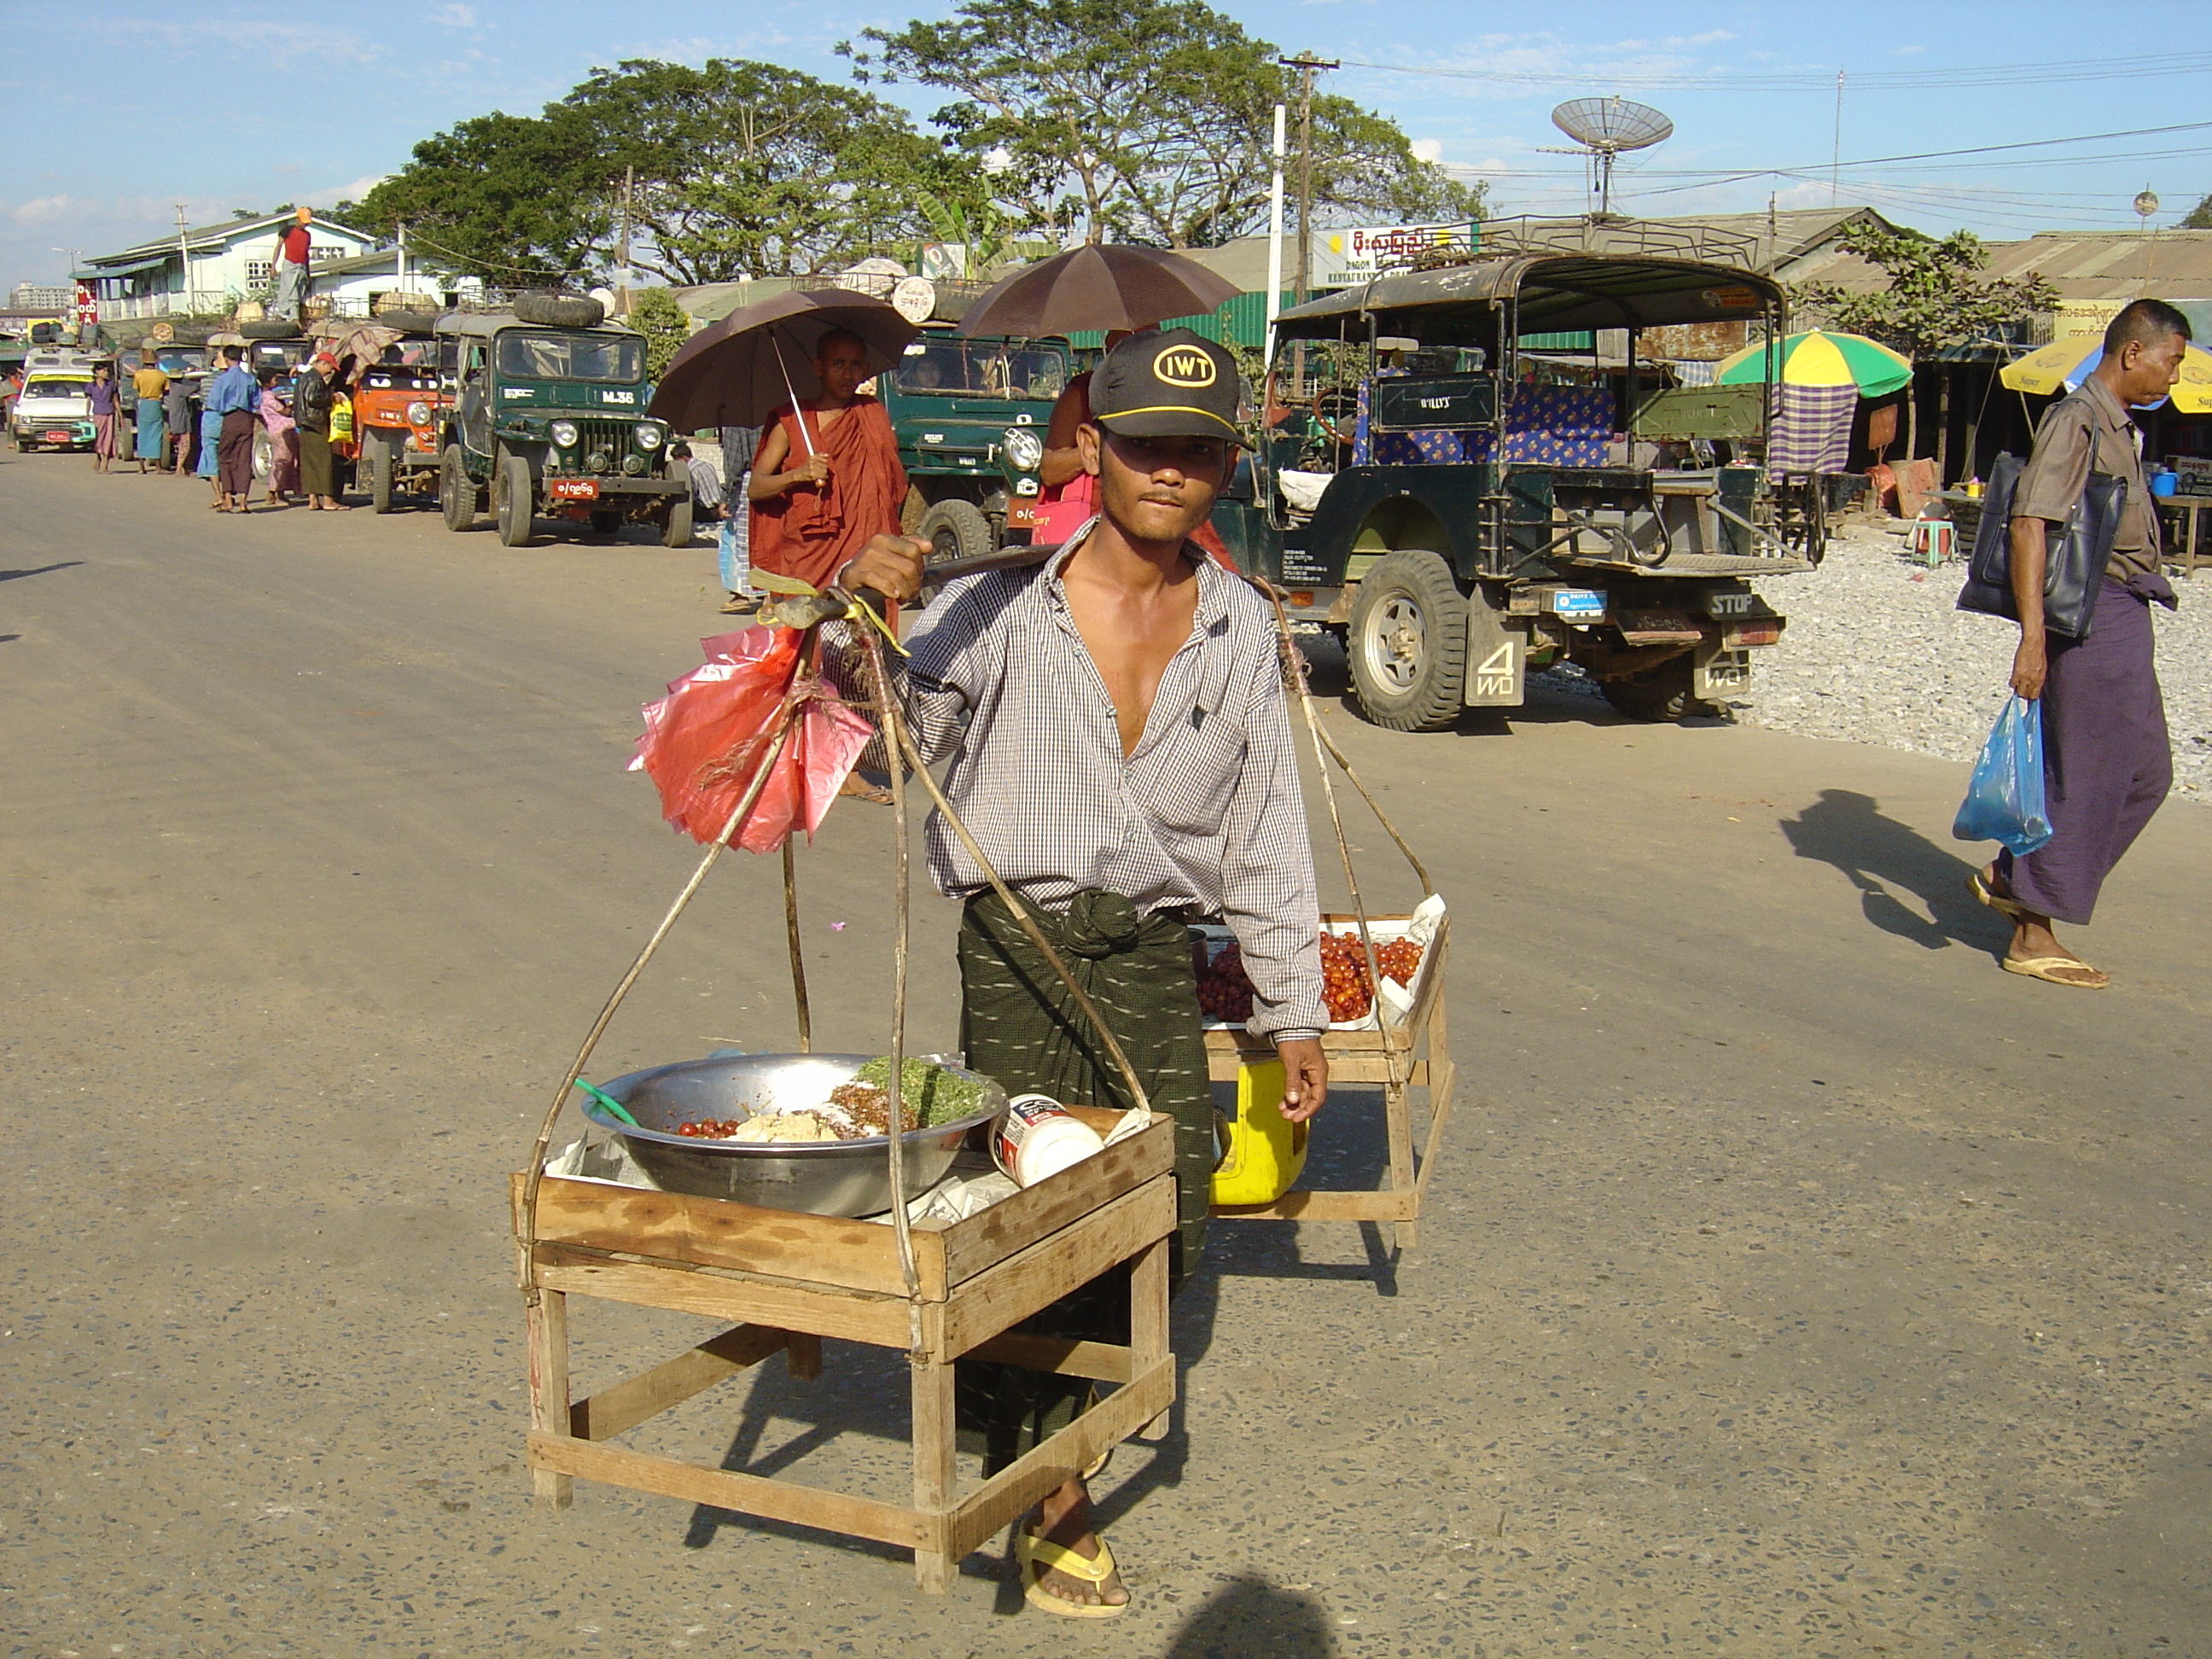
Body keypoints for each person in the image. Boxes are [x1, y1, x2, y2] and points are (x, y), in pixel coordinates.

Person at [838, 329, 1329, 1617]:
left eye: (1199, 450)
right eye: (1147, 446)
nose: (1171, 471)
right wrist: (866, 620)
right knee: (1024, 1225)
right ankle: (1046, 1493)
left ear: (1226, 466)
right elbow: (891, 756)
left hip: (1154, 956)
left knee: (1160, 1218)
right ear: (1097, 452)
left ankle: (1054, 1420)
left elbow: (1269, 834)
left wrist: (1293, 1012)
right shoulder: (993, 605)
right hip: (1019, 947)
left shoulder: (1239, 625)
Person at [1970, 298, 2188, 989]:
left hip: (2124, 610)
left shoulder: (2115, 424)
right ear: (2133, 353)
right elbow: (2028, 524)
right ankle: (2033, 929)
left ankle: (2015, 874)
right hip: (2092, 619)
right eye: (2172, 360)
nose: (2174, 376)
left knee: (2145, 774)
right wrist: (2033, 642)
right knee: (2091, 776)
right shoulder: (2080, 420)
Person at [747, 328, 906, 593]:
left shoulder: (871, 414)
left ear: (865, 369)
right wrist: (797, 475)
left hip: (867, 552)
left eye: (855, 365)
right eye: (838, 364)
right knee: (809, 631)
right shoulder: (793, 421)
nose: (847, 374)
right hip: (810, 556)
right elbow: (756, 488)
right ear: (818, 367)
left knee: (864, 630)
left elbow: (890, 485)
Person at [204, 347, 263, 512]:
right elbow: (257, 401)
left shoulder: (222, 380)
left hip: (229, 419)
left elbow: (214, 403)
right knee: (244, 459)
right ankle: (244, 501)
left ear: (226, 359)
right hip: (246, 419)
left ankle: (228, 498)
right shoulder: (250, 379)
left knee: (225, 457)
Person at [293, 352, 346, 511]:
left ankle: (313, 500)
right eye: (330, 367)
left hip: (304, 424)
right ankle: (329, 501)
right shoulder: (315, 379)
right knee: (324, 462)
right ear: (322, 363)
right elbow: (313, 398)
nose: (330, 371)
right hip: (316, 423)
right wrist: (331, 397)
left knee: (309, 463)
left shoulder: (303, 377)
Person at [717, 423, 760, 614]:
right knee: (766, 539)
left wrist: (726, 497)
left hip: (747, 484)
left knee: (737, 541)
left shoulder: (736, 425)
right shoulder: (779, 417)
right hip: (776, 482)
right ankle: (769, 595)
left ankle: (740, 594)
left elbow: (734, 463)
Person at [257, 367, 297, 507]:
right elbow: (284, 411)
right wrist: (291, 405)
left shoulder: (267, 396)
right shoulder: (268, 397)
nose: (277, 381)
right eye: (275, 379)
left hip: (276, 430)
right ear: (268, 382)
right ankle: (273, 492)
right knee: (282, 462)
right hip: (282, 430)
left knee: (283, 461)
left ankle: (279, 493)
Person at [271, 207, 312, 323]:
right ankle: (291, 317)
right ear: (297, 219)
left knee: (300, 293)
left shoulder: (307, 235)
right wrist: (273, 266)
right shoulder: (288, 230)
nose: (304, 225)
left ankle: (295, 316)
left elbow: (306, 254)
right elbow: (278, 247)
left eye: (306, 223)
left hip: (302, 267)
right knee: (289, 291)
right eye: (303, 222)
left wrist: (308, 274)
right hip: (290, 265)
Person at [131, 352, 169, 474]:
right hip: (156, 403)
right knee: (156, 435)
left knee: (142, 434)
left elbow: (136, 389)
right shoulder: (162, 375)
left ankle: (141, 467)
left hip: (143, 403)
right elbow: (166, 390)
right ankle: (157, 467)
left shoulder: (138, 374)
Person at [672, 440, 721, 530]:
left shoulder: (691, 471)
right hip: (719, 506)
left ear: (684, 458)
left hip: (707, 512)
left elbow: (692, 496)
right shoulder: (707, 465)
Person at [88, 364, 120, 473]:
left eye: (106, 371)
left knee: (108, 438)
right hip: (98, 414)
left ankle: (105, 465)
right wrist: (87, 415)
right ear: (97, 372)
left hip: (109, 414)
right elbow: (88, 401)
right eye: (103, 371)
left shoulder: (110, 385)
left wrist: (120, 416)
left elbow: (115, 401)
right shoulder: (91, 386)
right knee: (99, 439)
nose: (105, 373)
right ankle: (98, 460)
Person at [163, 372, 193, 474]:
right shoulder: (179, 389)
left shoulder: (171, 390)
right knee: (185, 445)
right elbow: (194, 388)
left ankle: (182, 468)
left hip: (174, 419)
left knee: (180, 445)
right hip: (181, 421)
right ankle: (179, 468)